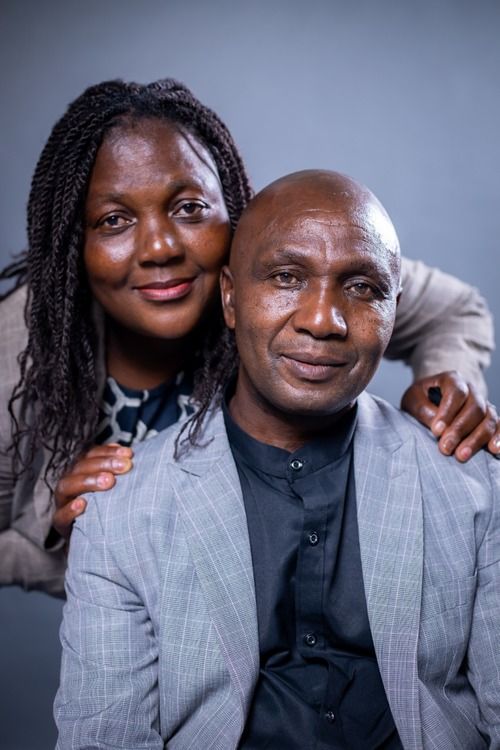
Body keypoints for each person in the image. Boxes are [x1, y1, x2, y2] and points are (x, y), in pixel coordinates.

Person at [0, 79, 498, 599]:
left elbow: (451, 309)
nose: (161, 247)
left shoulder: (285, 271)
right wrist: (70, 543)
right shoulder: (21, 347)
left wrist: (448, 394)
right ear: (74, 241)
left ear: (230, 207)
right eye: (114, 219)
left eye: (189, 207)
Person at [55, 170, 500, 749]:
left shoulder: (476, 486)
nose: (322, 320)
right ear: (230, 297)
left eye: (362, 288)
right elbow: (104, 739)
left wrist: (452, 391)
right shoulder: (119, 514)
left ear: (394, 312)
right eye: (287, 278)